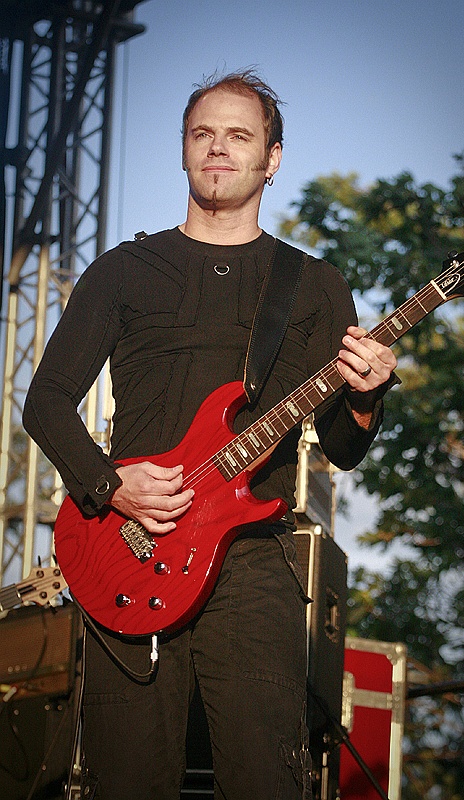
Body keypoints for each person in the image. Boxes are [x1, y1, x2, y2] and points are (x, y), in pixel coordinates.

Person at [23, 69, 397, 800]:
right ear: (184, 149)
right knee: (127, 779)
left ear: (272, 157)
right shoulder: (123, 270)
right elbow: (46, 401)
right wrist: (109, 484)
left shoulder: (314, 284)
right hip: (127, 547)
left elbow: (345, 448)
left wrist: (366, 398)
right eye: (203, 134)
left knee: (266, 776)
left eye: (238, 136)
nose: (218, 150)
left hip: (254, 560)